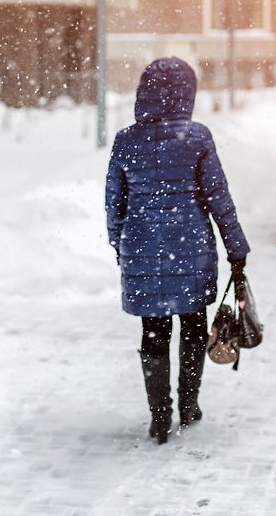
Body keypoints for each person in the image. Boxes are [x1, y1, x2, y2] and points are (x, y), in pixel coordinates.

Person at [105, 57, 250, 445]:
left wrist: (120, 244)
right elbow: (219, 199)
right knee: (193, 324)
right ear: (188, 94)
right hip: (191, 249)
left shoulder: (126, 140)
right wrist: (236, 248)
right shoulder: (197, 138)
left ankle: (159, 415)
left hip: (143, 249)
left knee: (153, 330)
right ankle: (188, 405)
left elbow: (114, 203)